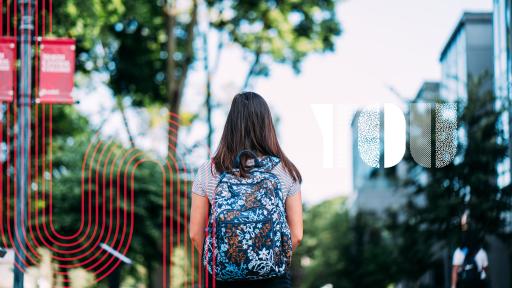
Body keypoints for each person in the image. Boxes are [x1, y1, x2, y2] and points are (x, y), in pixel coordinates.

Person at [189, 92, 303, 288]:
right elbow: (297, 235)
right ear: (266, 125)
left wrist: (222, 264)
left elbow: (194, 234)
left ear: (230, 125)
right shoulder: (285, 170)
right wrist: (273, 264)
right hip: (273, 280)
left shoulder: (209, 171)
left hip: (224, 279)